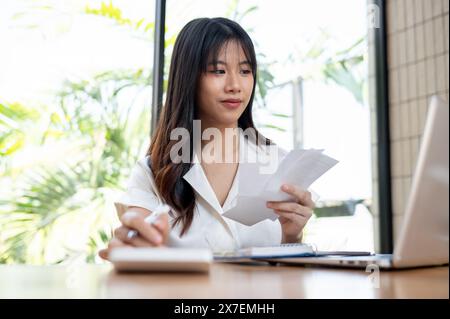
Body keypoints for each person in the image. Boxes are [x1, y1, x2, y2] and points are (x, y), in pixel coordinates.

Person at [99, 17, 314, 260]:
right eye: (219, 71)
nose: (235, 85)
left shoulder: (278, 164)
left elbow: (290, 282)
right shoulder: (154, 172)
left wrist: (292, 237)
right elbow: (136, 244)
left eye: (245, 71)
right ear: (189, 78)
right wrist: (130, 243)